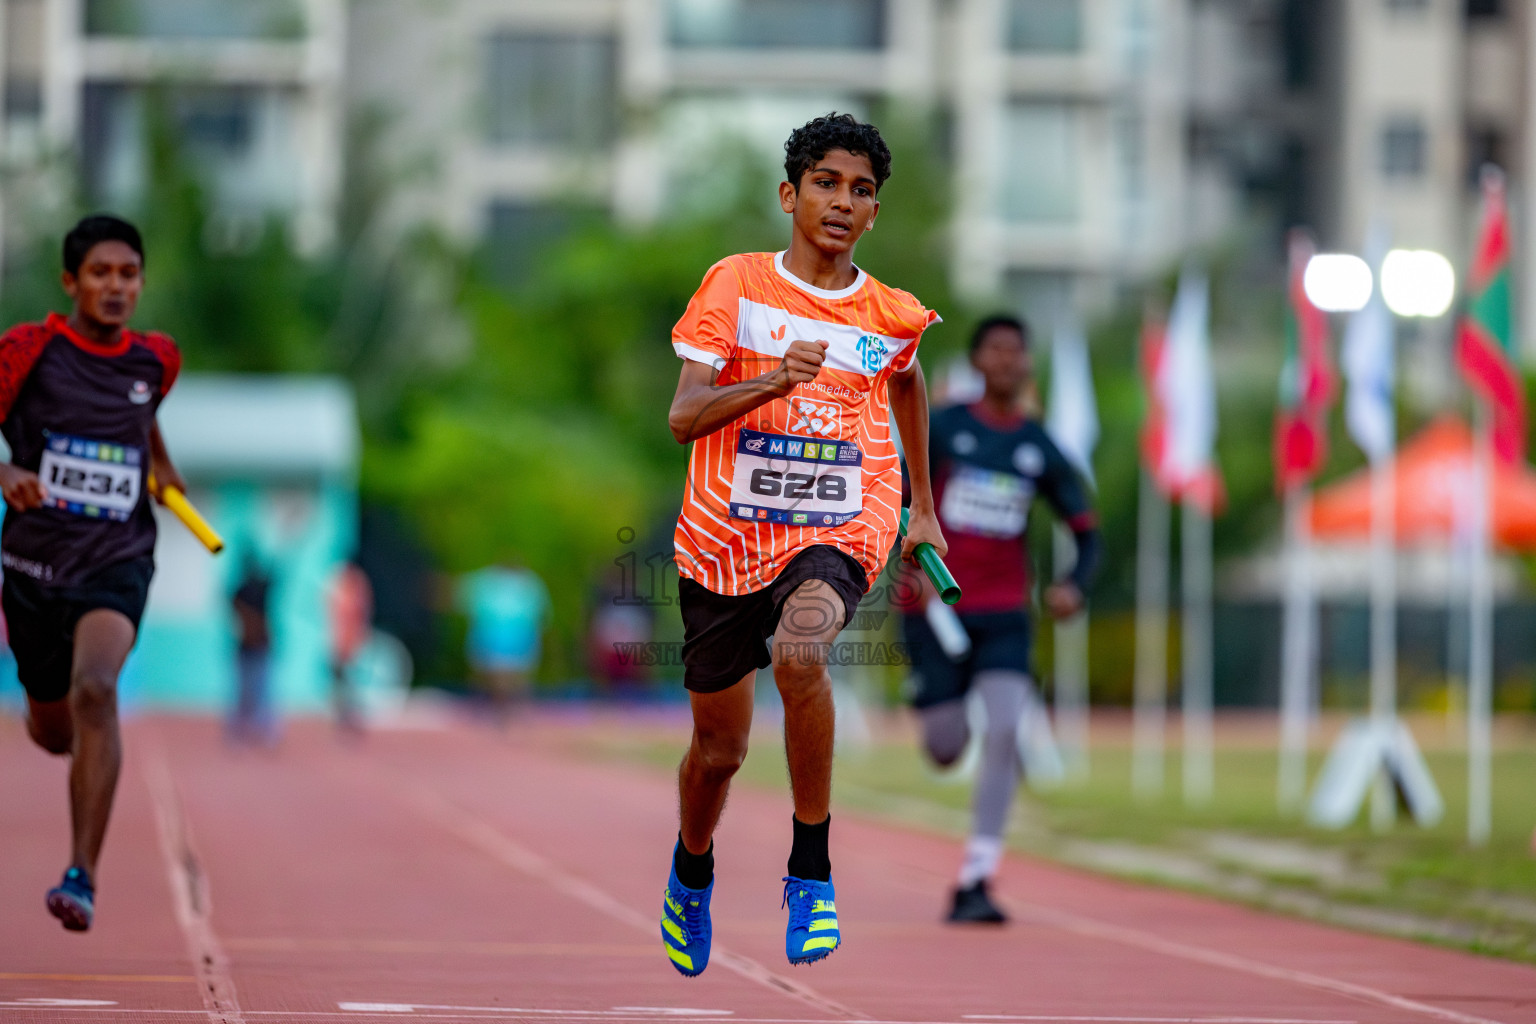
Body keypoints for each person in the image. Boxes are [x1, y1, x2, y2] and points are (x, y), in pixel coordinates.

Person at [660, 113, 945, 976]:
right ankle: (692, 868)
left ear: (873, 213)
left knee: (801, 648)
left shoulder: (889, 313)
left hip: (841, 521)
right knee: (719, 754)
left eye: (862, 191)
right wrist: (773, 381)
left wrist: (921, 509)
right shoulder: (736, 287)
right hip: (723, 536)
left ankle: (811, 870)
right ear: (791, 194)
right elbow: (682, 417)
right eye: (826, 182)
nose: (843, 202)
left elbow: (909, 381)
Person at [0, 214, 184, 932]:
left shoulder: (157, 359)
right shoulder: (27, 351)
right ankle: (77, 743)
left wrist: (161, 465)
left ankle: (82, 876)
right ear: (71, 282)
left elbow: (144, 415)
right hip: (34, 565)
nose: (116, 286)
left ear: (141, 282)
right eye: (101, 274)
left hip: (117, 558)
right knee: (53, 729)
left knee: (98, 688)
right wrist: (7, 468)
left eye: (129, 274)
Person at [899, 314, 1100, 924]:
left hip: (1005, 613)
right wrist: (911, 571)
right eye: (997, 350)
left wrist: (1073, 586)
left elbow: (1087, 533)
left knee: (1009, 728)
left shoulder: (1037, 446)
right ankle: (935, 716)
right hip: (934, 610)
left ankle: (976, 880)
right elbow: (901, 503)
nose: (1008, 362)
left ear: (1027, 364)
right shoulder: (947, 428)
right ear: (978, 360)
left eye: (1019, 351)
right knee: (945, 746)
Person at [459, 562, 549, 720]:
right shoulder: (527, 583)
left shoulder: (487, 581)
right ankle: (506, 710)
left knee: (504, 679)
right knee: (503, 679)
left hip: (506, 639)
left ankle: (506, 710)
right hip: (505, 639)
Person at [228, 556, 277, 746]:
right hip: (250, 646)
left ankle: (260, 733)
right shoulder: (249, 591)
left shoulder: (251, 590)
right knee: (251, 693)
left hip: (257, 646)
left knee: (257, 692)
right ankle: (244, 732)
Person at [327, 558, 373, 734]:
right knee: (341, 682)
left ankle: (352, 715)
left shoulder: (355, 591)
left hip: (352, 643)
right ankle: (343, 716)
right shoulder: (341, 591)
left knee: (352, 682)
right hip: (342, 643)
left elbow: (359, 618)